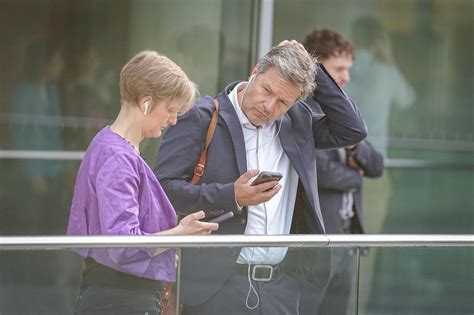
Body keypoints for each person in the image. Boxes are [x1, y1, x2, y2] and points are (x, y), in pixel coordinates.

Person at [154, 40, 367, 314]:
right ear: (255, 71)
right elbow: (161, 191)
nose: (269, 106)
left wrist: (312, 67)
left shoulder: (296, 122)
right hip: (214, 288)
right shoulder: (201, 116)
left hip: (281, 289)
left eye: (283, 102)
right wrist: (231, 196)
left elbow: (353, 129)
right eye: (266, 90)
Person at [66, 50, 219, 314]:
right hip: (122, 296)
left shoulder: (114, 147)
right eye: (170, 110)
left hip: (117, 292)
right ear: (146, 102)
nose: (172, 120)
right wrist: (180, 233)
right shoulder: (117, 157)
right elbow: (123, 244)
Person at [302, 29, 384, 315]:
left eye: (348, 68)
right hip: (317, 245)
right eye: (339, 69)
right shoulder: (303, 112)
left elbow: (375, 166)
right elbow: (321, 173)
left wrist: (352, 149)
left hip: (347, 241)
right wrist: (354, 175)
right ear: (318, 70)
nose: (347, 77)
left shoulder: (344, 115)